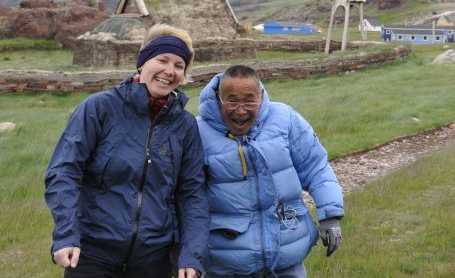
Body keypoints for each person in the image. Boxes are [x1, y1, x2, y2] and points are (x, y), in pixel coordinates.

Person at [45, 24, 209, 278]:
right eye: (162, 60)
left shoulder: (185, 125)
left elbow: (192, 194)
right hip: (92, 255)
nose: (170, 70)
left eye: (179, 65)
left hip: (153, 260)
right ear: (142, 62)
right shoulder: (99, 109)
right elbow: (64, 172)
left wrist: (191, 254)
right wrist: (66, 235)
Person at [196, 64, 344, 278]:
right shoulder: (198, 131)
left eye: (249, 100)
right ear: (219, 98)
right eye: (232, 100)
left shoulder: (285, 119)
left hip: (287, 253)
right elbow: (184, 193)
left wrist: (330, 216)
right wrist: (178, 245)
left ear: (261, 95)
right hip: (227, 262)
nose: (240, 109)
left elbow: (316, 167)